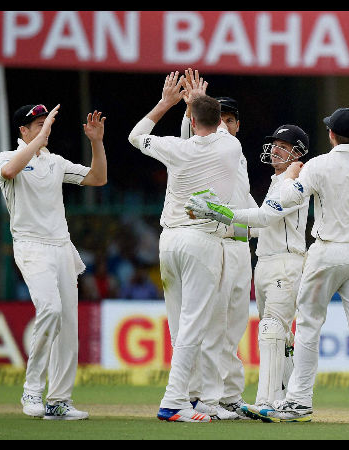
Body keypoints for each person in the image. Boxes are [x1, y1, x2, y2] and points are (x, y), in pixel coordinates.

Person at [239, 107, 349, 424]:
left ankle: (298, 402)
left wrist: (293, 179)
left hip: (326, 252)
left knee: (309, 327)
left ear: (331, 135)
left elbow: (284, 202)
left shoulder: (318, 165)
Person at [127, 71, 242, 423]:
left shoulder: (176, 148)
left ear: (190, 121)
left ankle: (191, 398)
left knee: (180, 327)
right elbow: (213, 125)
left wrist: (167, 103)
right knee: (193, 326)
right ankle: (174, 401)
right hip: (201, 242)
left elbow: (135, 136)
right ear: (219, 120)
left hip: (169, 242)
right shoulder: (230, 146)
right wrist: (196, 102)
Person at [185, 123, 310, 418]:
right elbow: (256, 227)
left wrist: (217, 211)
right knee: (281, 338)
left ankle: (267, 402)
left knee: (270, 329)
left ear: (298, 152)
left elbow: (264, 217)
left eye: (284, 145)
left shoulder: (296, 179)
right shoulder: (277, 180)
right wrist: (219, 222)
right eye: (275, 143)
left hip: (286, 262)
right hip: (265, 262)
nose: (276, 149)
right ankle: (292, 403)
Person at [0, 103, 107, 420]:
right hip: (32, 246)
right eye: (39, 124)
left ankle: (59, 401)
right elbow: (9, 171)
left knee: (68, 325)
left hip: (61, 247)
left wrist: (96, 142)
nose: (46, 129)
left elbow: (98, 178)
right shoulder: (7, 158)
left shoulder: (55, 163)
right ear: (24, 131)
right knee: (51, 309)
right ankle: (32, 390)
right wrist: (40, 139)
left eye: (47, 123)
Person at [178, 69, 257, 420]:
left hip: (240, 244)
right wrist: (190, 109)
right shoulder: (203, 148)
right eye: (218, 119)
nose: (223, 126)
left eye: (229, 120)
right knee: (212, 325)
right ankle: (203, 398)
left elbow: (244, 201)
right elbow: (187, 142)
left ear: (237, 124)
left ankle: (228, 396)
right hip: (213, 242)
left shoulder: (235, 154)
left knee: (234, 326)